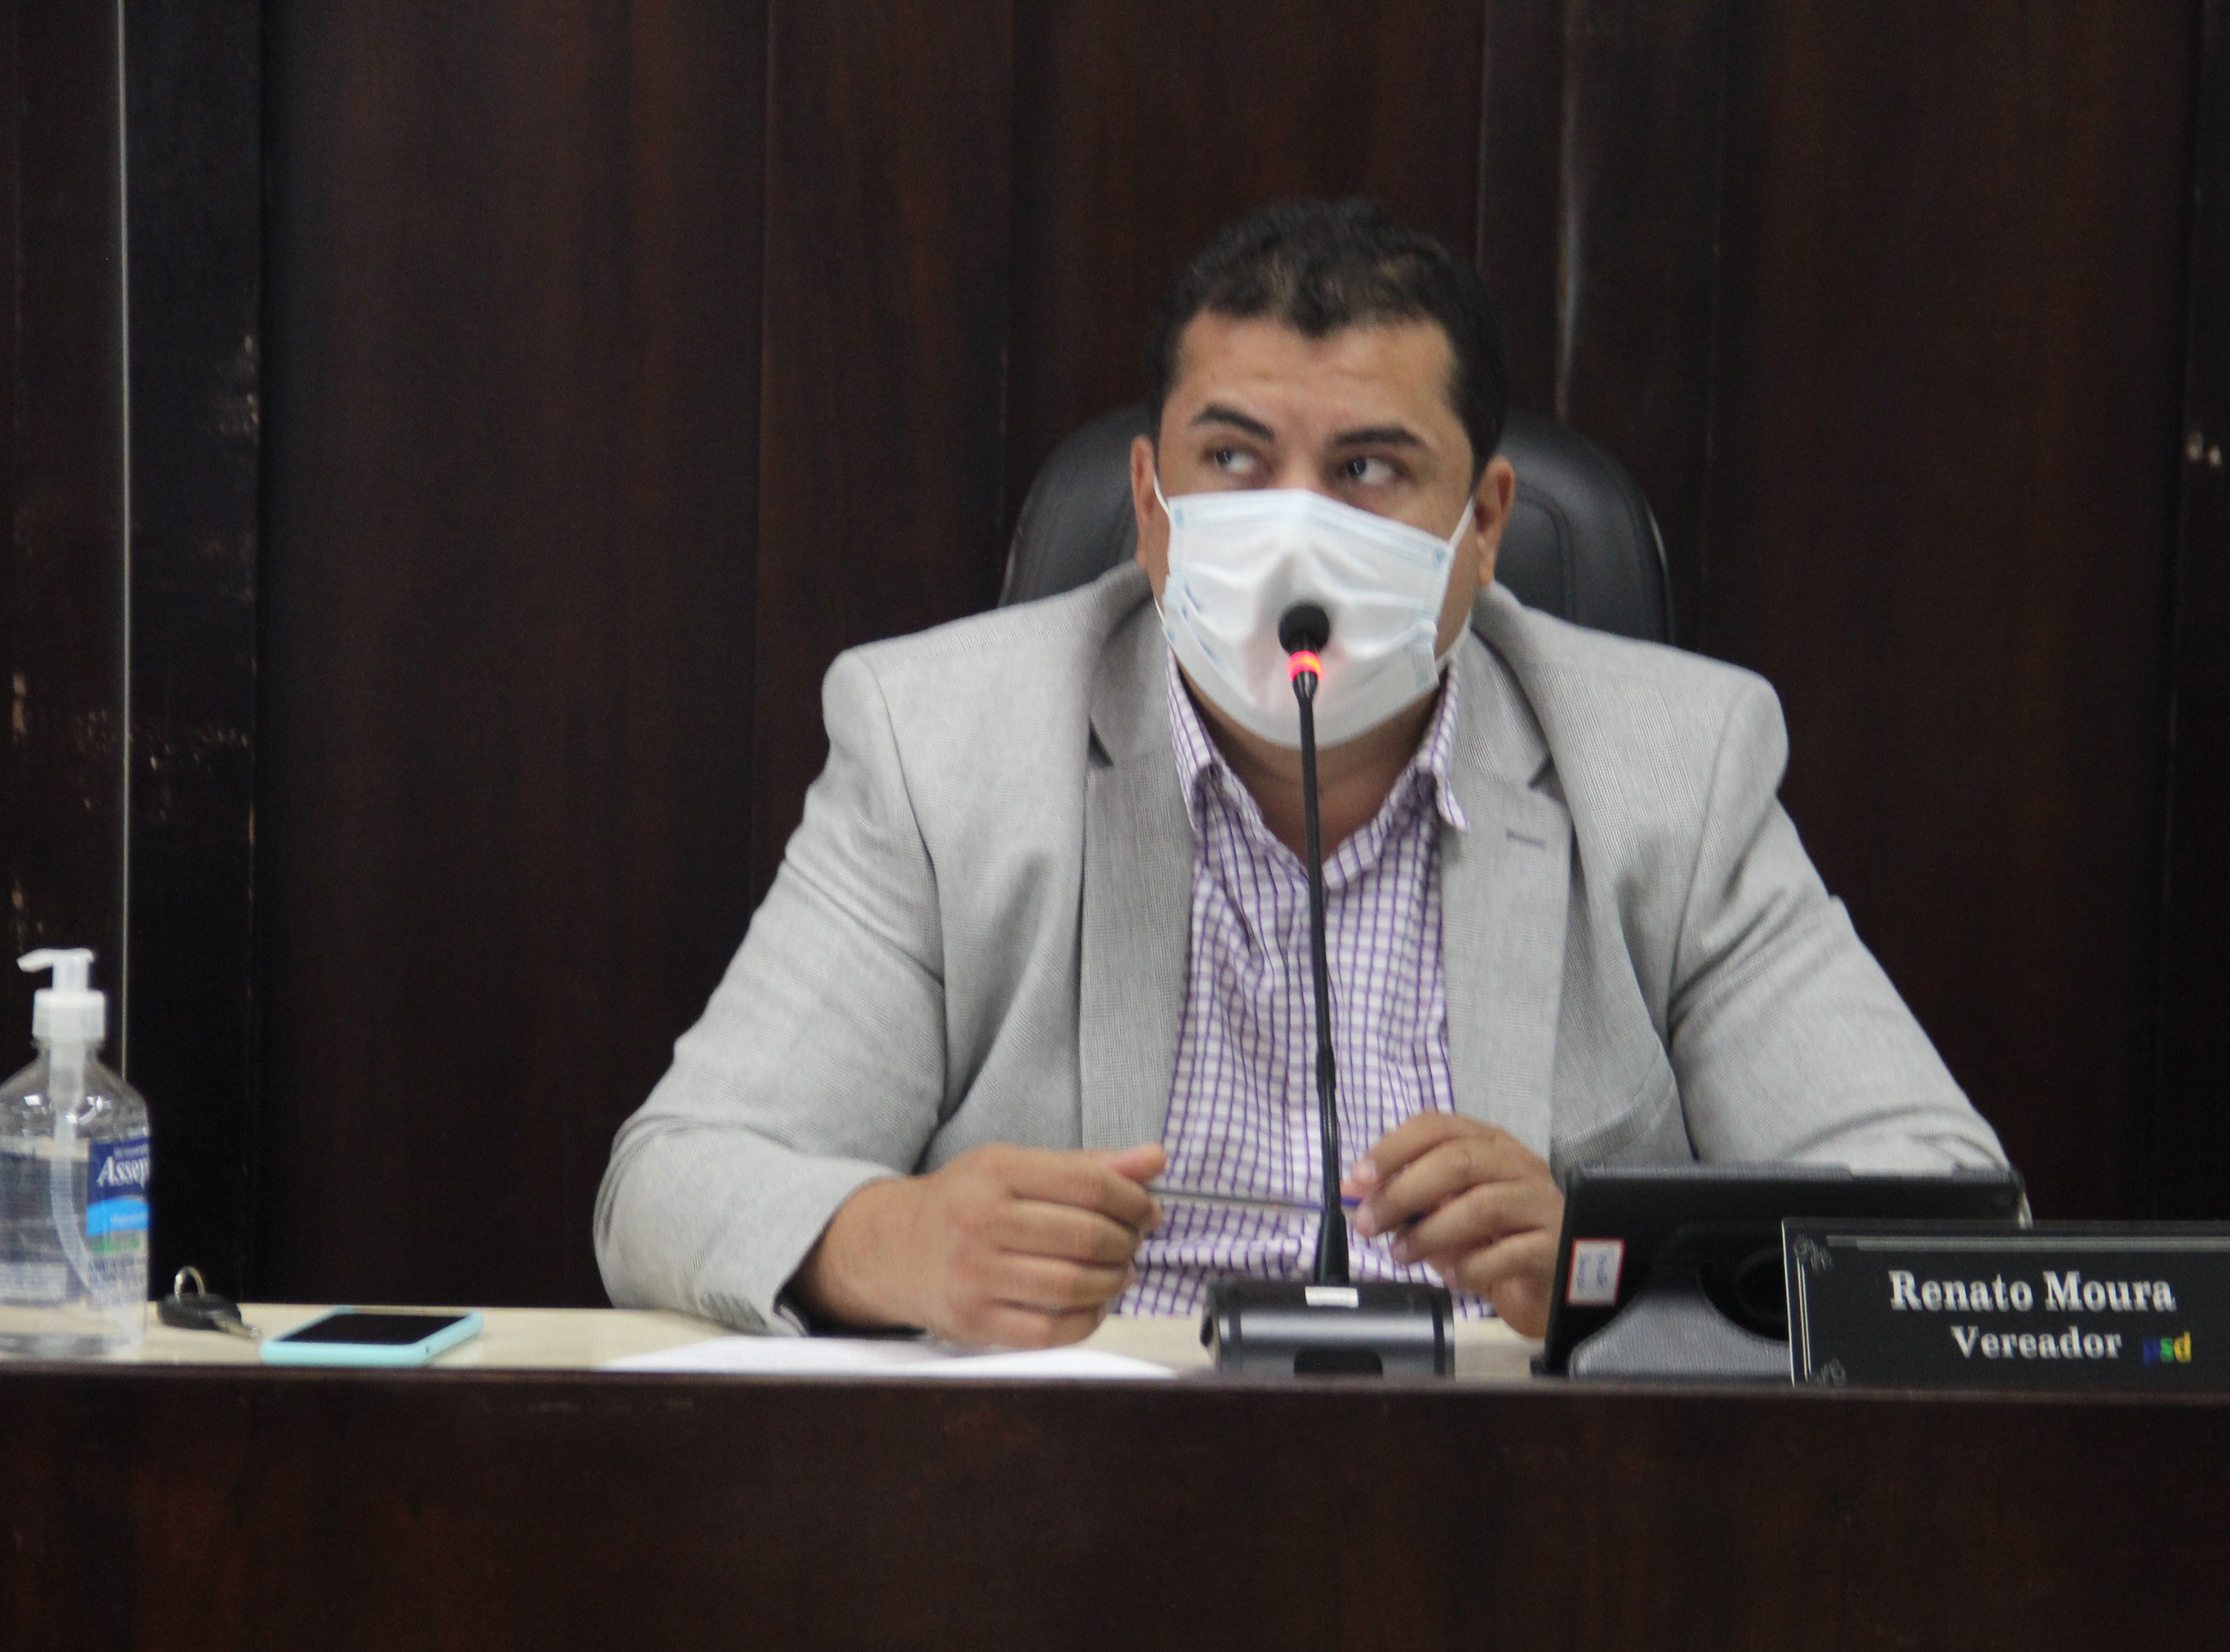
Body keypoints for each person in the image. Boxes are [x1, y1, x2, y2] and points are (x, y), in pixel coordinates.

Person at [596, 199, 2001, 1345]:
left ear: (1485, 524)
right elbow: (669, 1183)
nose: (1293, 532)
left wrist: (1611, 1267)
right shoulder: (941, 743)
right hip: (1070, 1492)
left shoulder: (1673, 768)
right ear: (1149, 507)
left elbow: (1949, 1222)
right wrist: (894, 1243)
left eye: (1370, 469)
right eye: (1233, 458)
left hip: (1522, 1510)